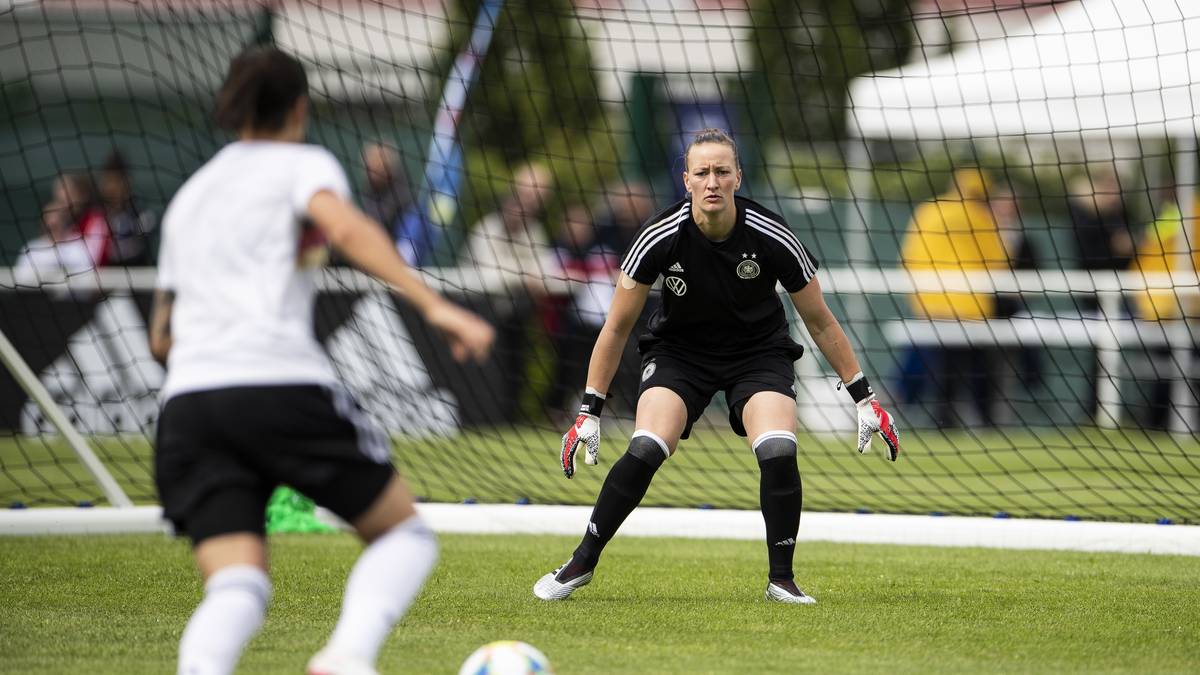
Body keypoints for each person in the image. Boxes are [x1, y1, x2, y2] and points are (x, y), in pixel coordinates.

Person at [149, 47, 494, 675]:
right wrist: (436, 307)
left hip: (188, 405)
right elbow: (348, 229)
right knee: (405, 537)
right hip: (278, 384)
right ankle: (345, 658)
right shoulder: (303, 163)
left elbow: (160, 339)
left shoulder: (189, 198)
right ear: (300, 108)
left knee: (236, 587)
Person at [531, 128, 900, 606]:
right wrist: (589, 411)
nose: (712, 182)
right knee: (646, 446)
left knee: (778, 449)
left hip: (758, 354)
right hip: (679, 355)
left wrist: (865, 399)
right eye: (702, 172)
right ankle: (581, 561)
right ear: (686, 180)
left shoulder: (772, 234)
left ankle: (782, 580)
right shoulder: (657, 236)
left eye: (722, 171)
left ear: (737, 178)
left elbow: (821, 321)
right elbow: (616, 328)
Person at [900, 168, 1012, 427]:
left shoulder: (928, 211)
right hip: (971, 308)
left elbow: (909, 255)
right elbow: (998, 262)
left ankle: (942, 421)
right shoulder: (982, 218)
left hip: (930, 304)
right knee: (977, 371)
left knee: (939, 370)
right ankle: (985, 422)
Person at [462, 161, 556, 421]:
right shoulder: (485, 230)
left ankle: (508, 419)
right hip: (480, 314)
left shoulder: (534, 232)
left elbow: (543, 271)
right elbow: (489, 275)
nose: (521, 210)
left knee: (515, 373)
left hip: (515, 318)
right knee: (486, 376)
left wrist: (527, 278)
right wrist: (524, 276)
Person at [12, 182, 97, 293]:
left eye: (57, 222)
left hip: (72, 301)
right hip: (37, 299)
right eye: (49, 223)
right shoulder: (31, 248)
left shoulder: (78, 246)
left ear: (64, 222)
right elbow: (21, 280)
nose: (52, 224)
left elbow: (88, 281)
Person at [100, 149, 157, 265]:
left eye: (116, 181)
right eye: (108, 181)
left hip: (136, 272)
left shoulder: (142, 214)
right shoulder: (95, 214)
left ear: (127, 182)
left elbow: (136, 250)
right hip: (101, 274)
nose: (111, 188)